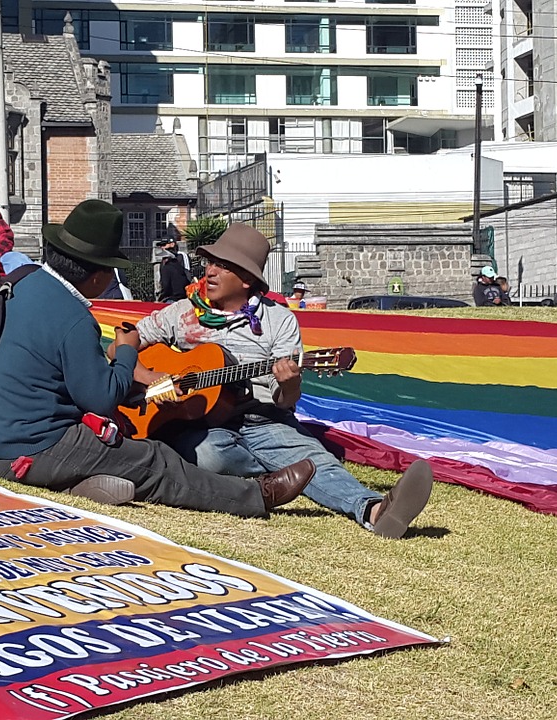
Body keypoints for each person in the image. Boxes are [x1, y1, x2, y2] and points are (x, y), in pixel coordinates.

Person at [0, 200, 315, 517]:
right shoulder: (73, 318)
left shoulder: (22, 284)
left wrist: (145, 376)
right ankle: (256, 496)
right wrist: (125, 352)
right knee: (154, 458)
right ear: (98, 275)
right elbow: (100, 398)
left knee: (123, 450)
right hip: (31, 448)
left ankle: (83, 483)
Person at [117, 223, 433, 538]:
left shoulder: (279, 321)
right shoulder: (183, 312)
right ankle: (281, 473)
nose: (210, 271)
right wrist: (147, 375)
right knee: (209, 454)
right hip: (201, 425)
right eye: (210, 262)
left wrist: (290, 382)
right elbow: (122, 341)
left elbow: (285, 400)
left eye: (222, 266)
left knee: (311, 457)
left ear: (246, 280)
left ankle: (375, 510)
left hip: (265, 419)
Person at [156, 238, 191, 302]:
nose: (162, 247)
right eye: (161, 246)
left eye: (164, 245)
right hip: (173, 296)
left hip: (178, 297)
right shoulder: (167, 263)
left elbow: (187, 275)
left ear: (172, 244)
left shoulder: (181, 256)